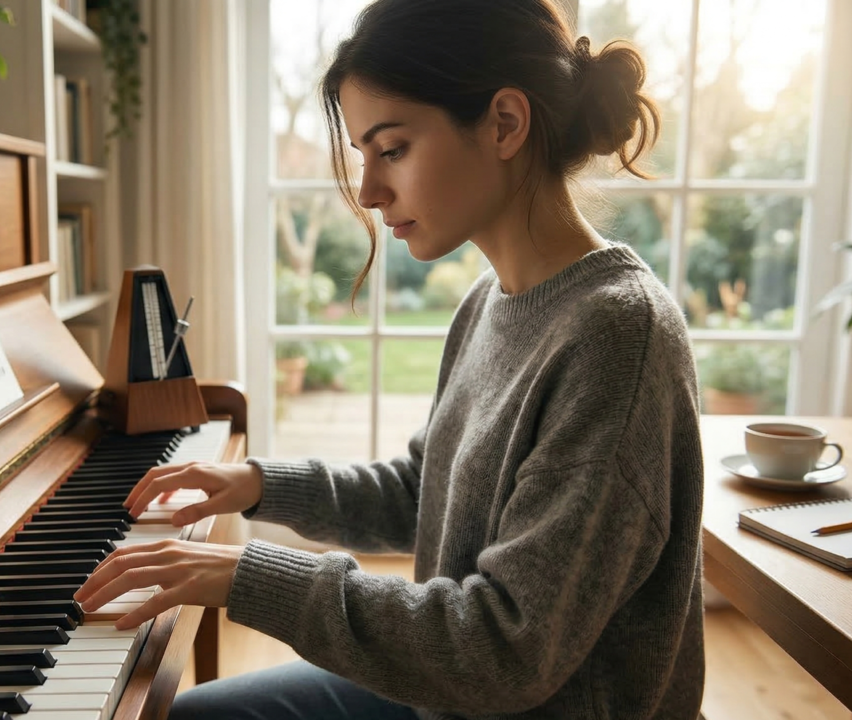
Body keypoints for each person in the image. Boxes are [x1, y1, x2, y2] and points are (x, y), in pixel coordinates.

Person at [73, 0, 705, 717]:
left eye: (392, 149)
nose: (370, 193)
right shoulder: (489, 303)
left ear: (504, 123)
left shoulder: (618, 337)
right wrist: (254, 483)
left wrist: (247, 574)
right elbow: (423, 490)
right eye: (364, 157)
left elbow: (505, 649)